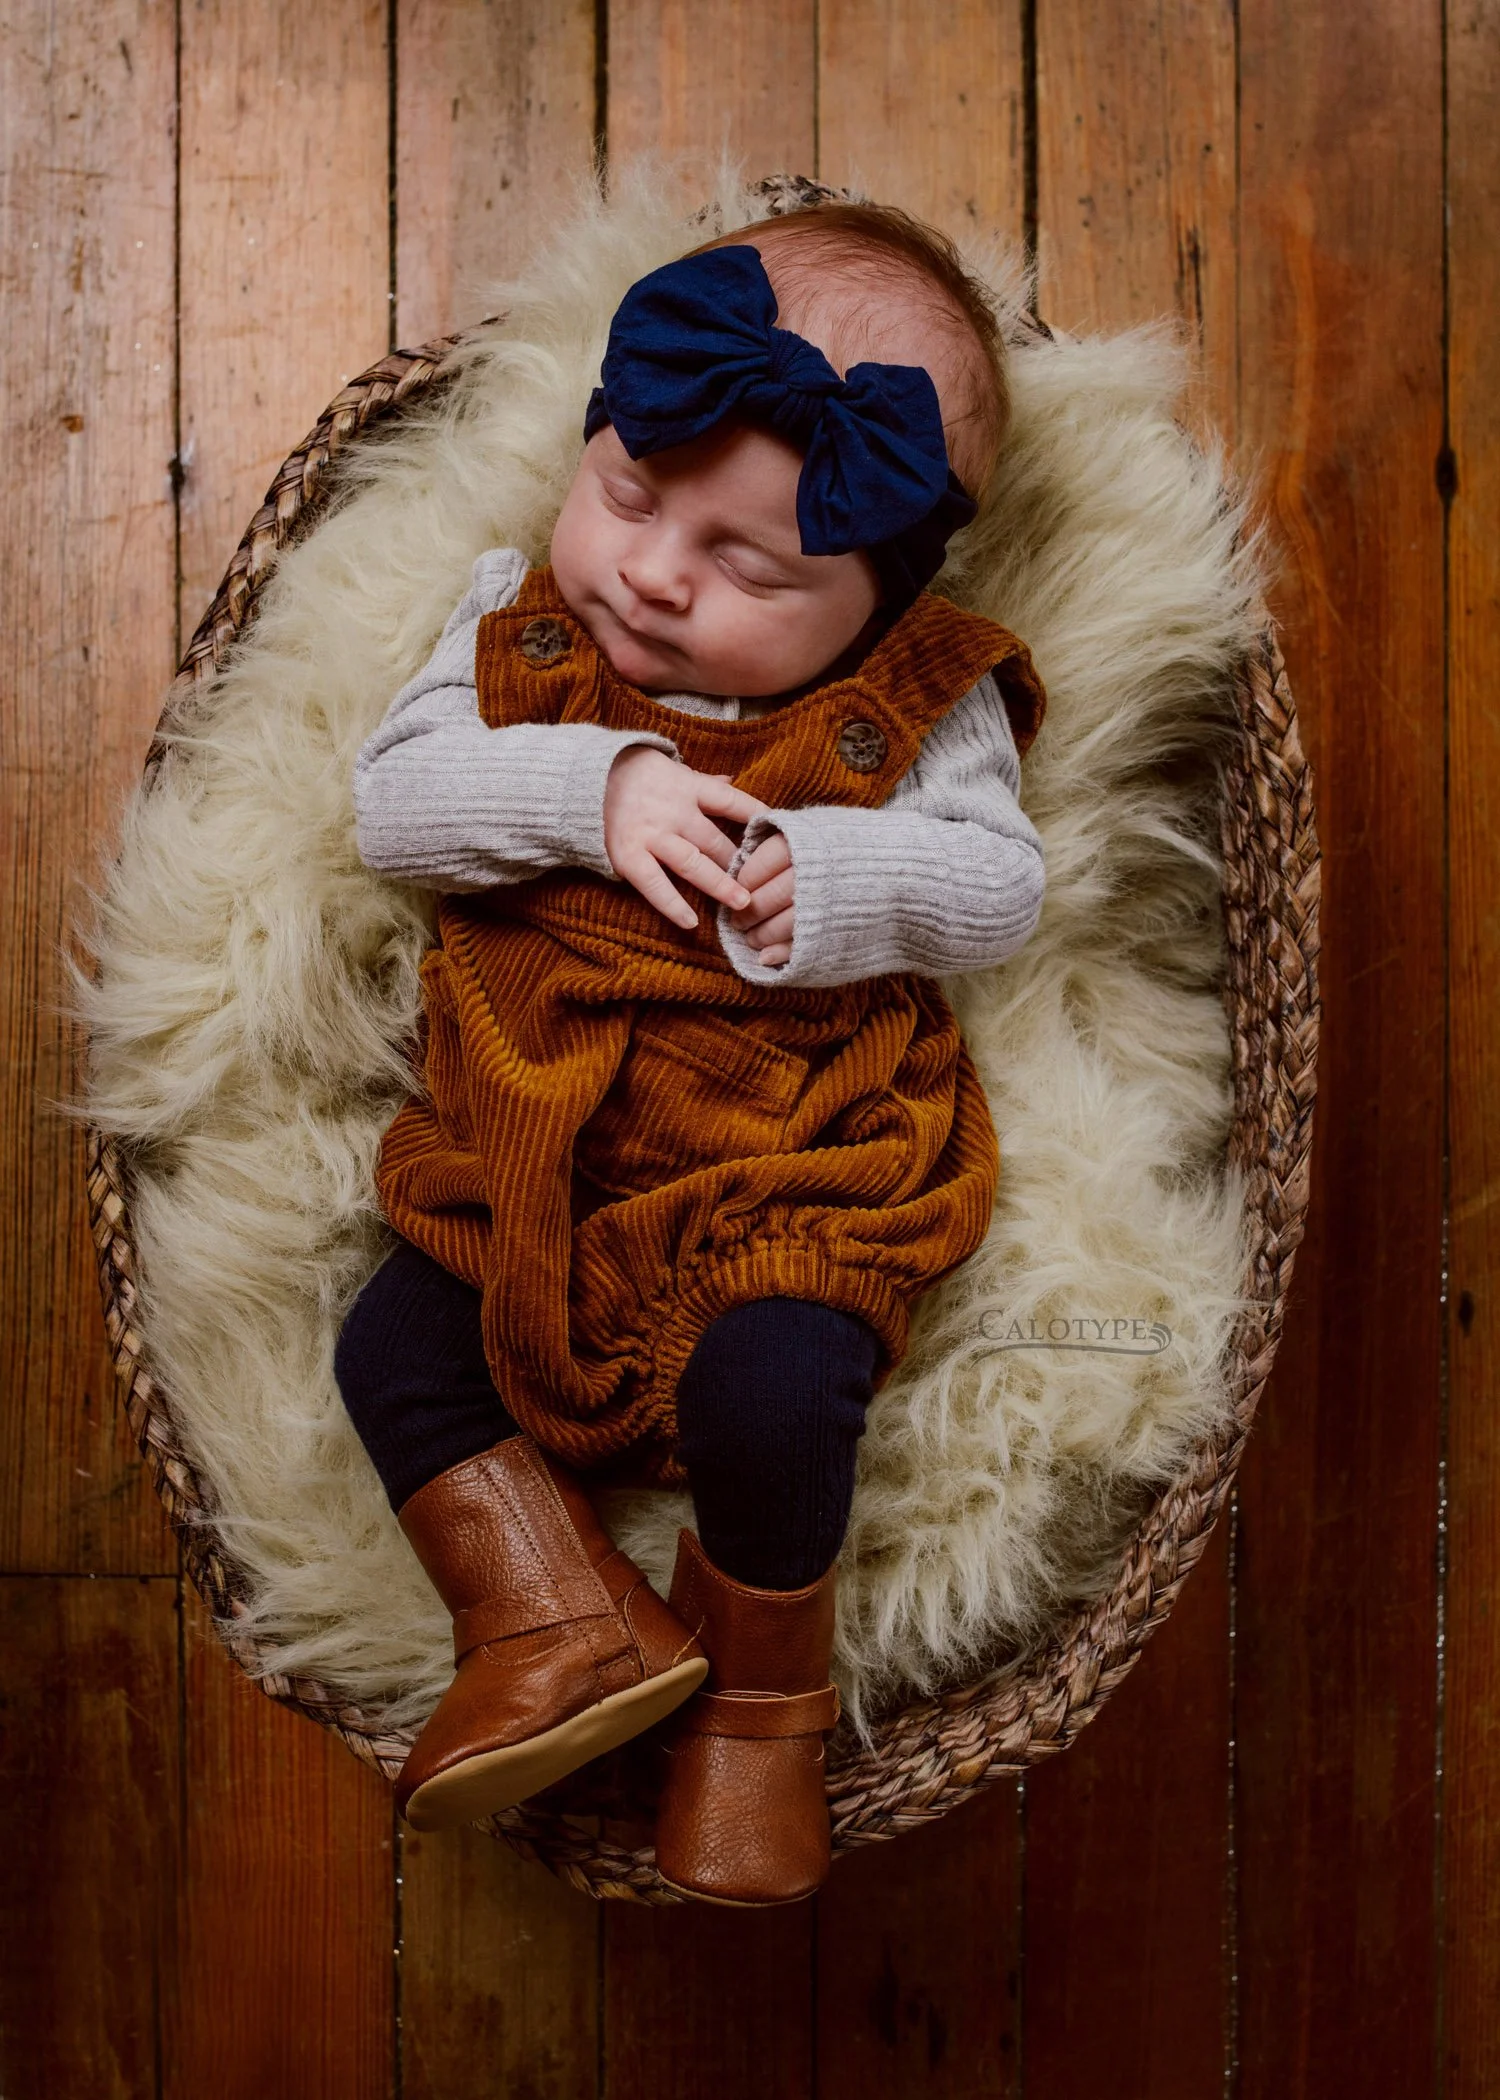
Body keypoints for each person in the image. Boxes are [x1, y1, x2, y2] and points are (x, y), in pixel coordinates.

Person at [334, 205, 1048, 1904]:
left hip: (788, 1164)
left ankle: (757, 1708)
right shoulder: (515, 628)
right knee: (392, 1351)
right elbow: (396, 804)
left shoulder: (923, 703)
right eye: (633, 495)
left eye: (750, 566)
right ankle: (561, 1618)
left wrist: (852, 880)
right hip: (532, 1143)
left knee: (783, 1397)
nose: (654, 572)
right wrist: (594, 788)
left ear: (877, 599)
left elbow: (1002, 889)